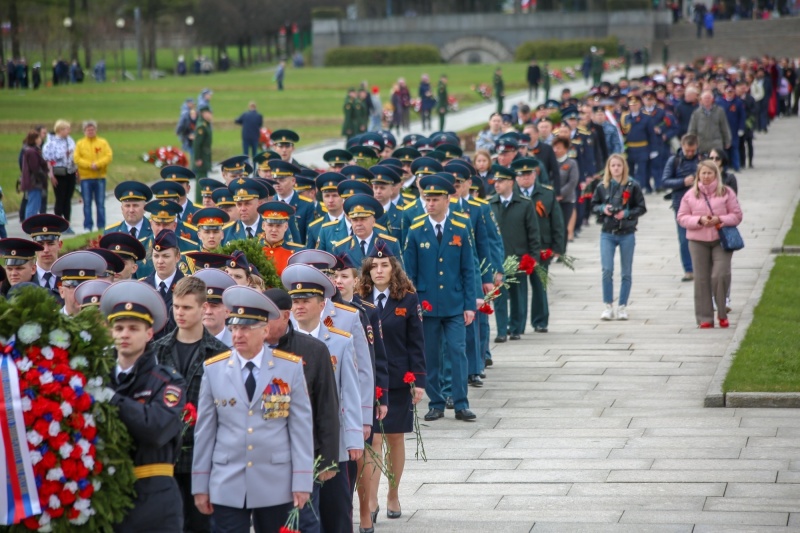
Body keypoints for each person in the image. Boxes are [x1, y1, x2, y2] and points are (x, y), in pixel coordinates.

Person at [191, 286, 314, 531]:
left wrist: (302, 481)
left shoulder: (289, 368)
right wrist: (200, 484)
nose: (238, 335)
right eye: (234, 328)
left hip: (275, 481)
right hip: (227, 481)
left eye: (246, 328)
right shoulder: (214, 369)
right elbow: (205, 432)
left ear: (265, 330)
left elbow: (300, 428)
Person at [281, 264, 363, 533]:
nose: (299, 306)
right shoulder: (281, 343)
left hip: (332, 440)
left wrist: (353, 438)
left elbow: (350, 393)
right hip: (295, 440)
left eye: (306, 301)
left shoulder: (339, 342)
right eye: (295, 301)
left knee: (337, 511)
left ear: (322, 304)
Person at [99, 280, 185, 532]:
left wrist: (113, 400)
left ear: (149, 334)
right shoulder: (99, 377)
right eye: (119, 327)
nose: (125, 334)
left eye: (134, 328)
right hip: (107, 497)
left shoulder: (167, 381)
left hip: (154, 500)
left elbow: (156, 428)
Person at [357, 234, 426, 527]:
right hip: (368, 379)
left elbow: (417, 343)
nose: (380, 270)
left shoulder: (407, 299)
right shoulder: (359, 300)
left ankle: (393, 494)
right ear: (368, 271)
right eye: (374, 266)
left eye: (385, 265)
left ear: (393, 268)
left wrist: (419, 380)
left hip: (398, 379)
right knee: (372, 440)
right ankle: (370, 499)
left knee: (395, 438)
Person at [152, 276, 229, 533]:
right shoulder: (157, 351)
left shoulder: (219, 354)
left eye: (187, 307)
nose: (180, 313)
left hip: (202, 459)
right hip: (164, 458)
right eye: (176, 307)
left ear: (203, 307)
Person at [404, 175, 476, 422]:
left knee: (457, 351)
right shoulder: (416, 230)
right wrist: (413, 306)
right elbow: (409, 274)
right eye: (427, 199)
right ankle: (435, 403)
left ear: (448, 199)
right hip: (427, 305)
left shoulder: (460, 227)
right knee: (431, 355)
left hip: (455, 303)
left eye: (435, 199)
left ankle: (460, 402)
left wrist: (470, 305)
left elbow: (468, 269)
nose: (430, 204)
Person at [677, 160, 743, 328]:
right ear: (698, 175)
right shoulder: (690, 194)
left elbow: (736, 215)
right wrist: (698, 220)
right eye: (703, 173)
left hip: (721, 240)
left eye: (709, 173)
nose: (706, 177)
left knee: (719, 275)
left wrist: (719, 219)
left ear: (716, 175)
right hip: (698, 241)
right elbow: (682, 217)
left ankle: (722, 312)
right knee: (702, 279)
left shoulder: (726, 192)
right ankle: (705, 318)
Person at [590, 154, 647, 321]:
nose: (616, 168)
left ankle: (622, 306)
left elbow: (642, 207)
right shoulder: (602, 186)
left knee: (626, 272)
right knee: (607, 270)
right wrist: (603, 208)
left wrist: (627, 213)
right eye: (613, 165)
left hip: (627, 233)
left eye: (619, 165)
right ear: (608, 168)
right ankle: (608, 305)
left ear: (624, 167)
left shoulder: (632, 185)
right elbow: (592, 205)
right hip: (607, 232)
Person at [512, 158, 565, 334]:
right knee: (517, 290)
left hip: (541, 247)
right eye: (522, 175)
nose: (526, 178)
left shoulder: (547, 194)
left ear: (535, 175)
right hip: (518, 248)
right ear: (516, 178)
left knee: (540, 285)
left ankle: (540, 321)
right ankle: (517, 324)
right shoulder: (511, 194)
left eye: (529, 174)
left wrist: (558, 248)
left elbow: (557, 222)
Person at [489, 164, 541, 341]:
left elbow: (533, 233)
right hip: (497, 258)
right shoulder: (490, 204)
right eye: (495, 181)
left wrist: (533, 258)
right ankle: (502, 331)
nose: (497, 184)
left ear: (511, 182)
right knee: (499, 296)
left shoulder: (525, 204)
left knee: (518, 296)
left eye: (501, 181)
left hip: (519, 257)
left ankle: (516, 327)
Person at [662, 133, 701, 282]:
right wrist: (682, 182)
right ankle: (689, 269)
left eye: (692, 150)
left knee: (701, 238)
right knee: (684, 239)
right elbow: (665, 181)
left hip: (700, 205)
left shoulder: (702, 160)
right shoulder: (674, 161)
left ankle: (701, 267)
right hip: (681, 205)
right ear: (682, 147)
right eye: (687, 150)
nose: (690, 153)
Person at [74, 120, 113, 232]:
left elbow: (108, 156)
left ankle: (101, 225)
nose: (90, 132)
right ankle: (88, 226)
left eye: (92, 129)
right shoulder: (80, 144)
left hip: (100, 177)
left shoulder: (102, 142)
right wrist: (89, 165)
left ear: (96, 130)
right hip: (86, 178)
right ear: (84, 131)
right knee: (87, 203)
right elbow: (77, 158)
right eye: (88, 130)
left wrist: (98, 164)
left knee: (100, 203)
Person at [21, 214, 69, 299]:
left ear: (60, 245)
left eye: (50, 244)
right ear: (33, 246)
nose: (46, 250)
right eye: (40, 244)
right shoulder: (25, 276)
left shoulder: (69, 277)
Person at [42, 119, 78, 229]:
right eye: (67, 129)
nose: (69, 131)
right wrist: (51, 176)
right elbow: (48, 161)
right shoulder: (51, 143)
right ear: (60, 130)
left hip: (70, 172)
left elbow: (75, 153)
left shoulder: (69, 140)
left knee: (68, 198)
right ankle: (58, 223)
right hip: (58, 174)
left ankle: (67, 222)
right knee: (60, 198)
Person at [50, 250, 106, 315]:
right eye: (74, 286)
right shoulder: (52, 322)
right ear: (62, 292)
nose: (81, 292)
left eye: (86, 286)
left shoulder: (102, 323)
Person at [687, 90, 732, 156]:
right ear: (701, 100)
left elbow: (724, 127)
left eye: (709, 98)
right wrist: (690, 142)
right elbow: (692, 130)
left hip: (716, 144)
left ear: (712, 99)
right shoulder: (696, 113)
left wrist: (727, 141)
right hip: (701, 145)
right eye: (705, 98)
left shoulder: (719, 111)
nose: (707, 100)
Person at [552, 137, 580, 243]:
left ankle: (561, 252)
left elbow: (572, 182)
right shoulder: (552, 162)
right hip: (552, 198)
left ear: (565, 149)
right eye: (554, 147)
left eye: (558, 148)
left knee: (563, 226)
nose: (556, 150)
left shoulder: (571, 163)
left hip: (566, 200)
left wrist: (560, 194)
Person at [20, 130, 49, 220]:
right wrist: (43, 177)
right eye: (39, 137)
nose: (40, 139)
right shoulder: (32, 152)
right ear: (35, 139)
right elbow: (35, 168)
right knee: (33, 206)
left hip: (34, 182)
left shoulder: (30, 150)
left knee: (34, 205)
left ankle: (31, 225)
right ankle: (30, 226)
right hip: (34, 183)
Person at [192, 106, 213, 190]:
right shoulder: (201, 126)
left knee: (204, 178)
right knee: (201, 178)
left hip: (205, 156)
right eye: (209, 113)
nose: (211, 115)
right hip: (202, 157)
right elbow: (197, 144)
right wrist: (198, 158)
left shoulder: (206, 124)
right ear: (204, 114)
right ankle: (199, 200)